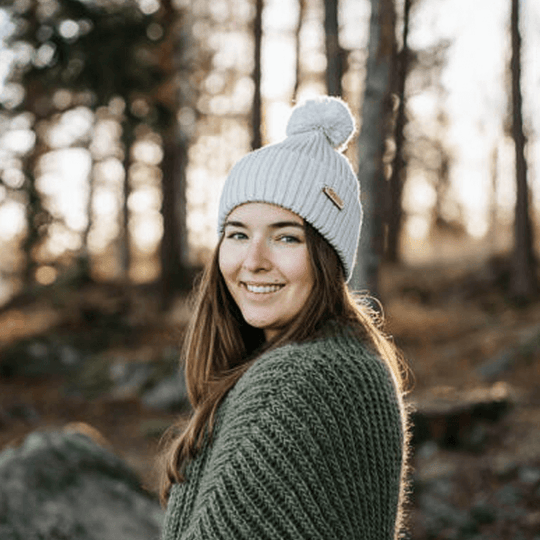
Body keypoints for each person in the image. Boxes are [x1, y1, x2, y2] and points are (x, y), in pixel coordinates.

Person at [159, 96, 410, 540]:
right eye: (238, 234)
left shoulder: (298, 381)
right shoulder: (347, 357)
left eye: (286, 237)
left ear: (326, 259)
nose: (253, 260)